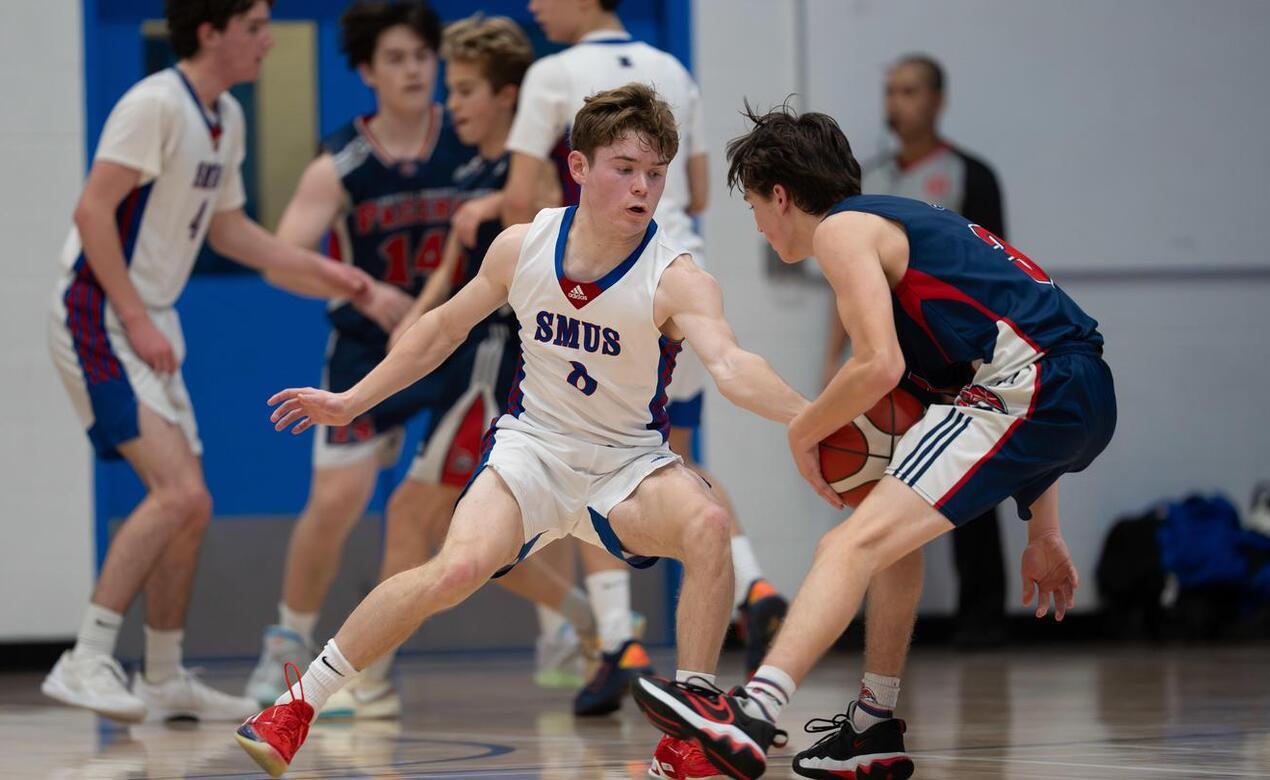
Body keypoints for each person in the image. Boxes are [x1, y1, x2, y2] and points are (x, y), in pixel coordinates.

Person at [234, 83, 813, 779]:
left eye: (656, 173)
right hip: (532, 450)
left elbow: (732, 365)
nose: (643, 188)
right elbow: (443, 328)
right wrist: (354, 400)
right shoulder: (524, 245)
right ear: (578, 168)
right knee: (453, 569)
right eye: (625, 168)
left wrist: (813, 416)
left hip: (625, 465)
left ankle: (689, 724)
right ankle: (297, 705)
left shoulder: (679, 276)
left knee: (710, 523)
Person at [633, 104, 1117, 780]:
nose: (759, 227)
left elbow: (877, 366)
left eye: (753, 207)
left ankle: (753, 715)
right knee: (887, 535)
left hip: (1033, 387)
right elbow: (1033, 353)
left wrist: (805, 430)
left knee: (846, 546)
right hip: (1069, 393)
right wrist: (1044, 528)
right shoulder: (909, 228)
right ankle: (872, 725)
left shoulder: (843, 230)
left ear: (781, 194)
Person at [245, 2, 593, 717]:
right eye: (397, 58)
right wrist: (358, 285)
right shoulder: (342, 157)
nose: (416, 72)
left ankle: (564, 633)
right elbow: (282, 256)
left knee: (481, 501)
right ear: (368, 71)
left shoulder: (476, 143)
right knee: (340, 504)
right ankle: (285, 645)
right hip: (378, 340)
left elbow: (543, 204)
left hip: (465, 343)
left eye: (423, 59)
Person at [43, 0, 371, 724]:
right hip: (97, 310)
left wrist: (333, 276)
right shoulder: (154, 103)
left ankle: (162, 678)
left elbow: (231, 232)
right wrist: (131, 313)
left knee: (192, 507)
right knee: (180, 496)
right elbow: (93, 213)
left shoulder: (226, 118)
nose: (265, 41)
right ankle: (87, 657)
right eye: (253, 27)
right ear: (210, 31)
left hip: (145, 317)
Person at [504, 0, 789, 718]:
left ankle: (619, 641)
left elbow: (517, 195)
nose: (536, 5)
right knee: (669, 458)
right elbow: (693, 193)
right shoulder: (670, 69)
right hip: (676, 272)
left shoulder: (553, 73)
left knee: (591, 452)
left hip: (606, 281)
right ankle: (752, 584)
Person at [824, 54, 1010, 649]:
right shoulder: (870, 178)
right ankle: (878, 624)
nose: (896, 103)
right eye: (890, 91)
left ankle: (983, 616)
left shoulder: (970, 175)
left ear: (936, 100)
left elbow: (992, 272)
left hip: (955, 356)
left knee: (969, 482)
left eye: (908, 91)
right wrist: (836, 355)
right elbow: (846, 279)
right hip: (888, 356)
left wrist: (986, 358)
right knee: (880, 480)